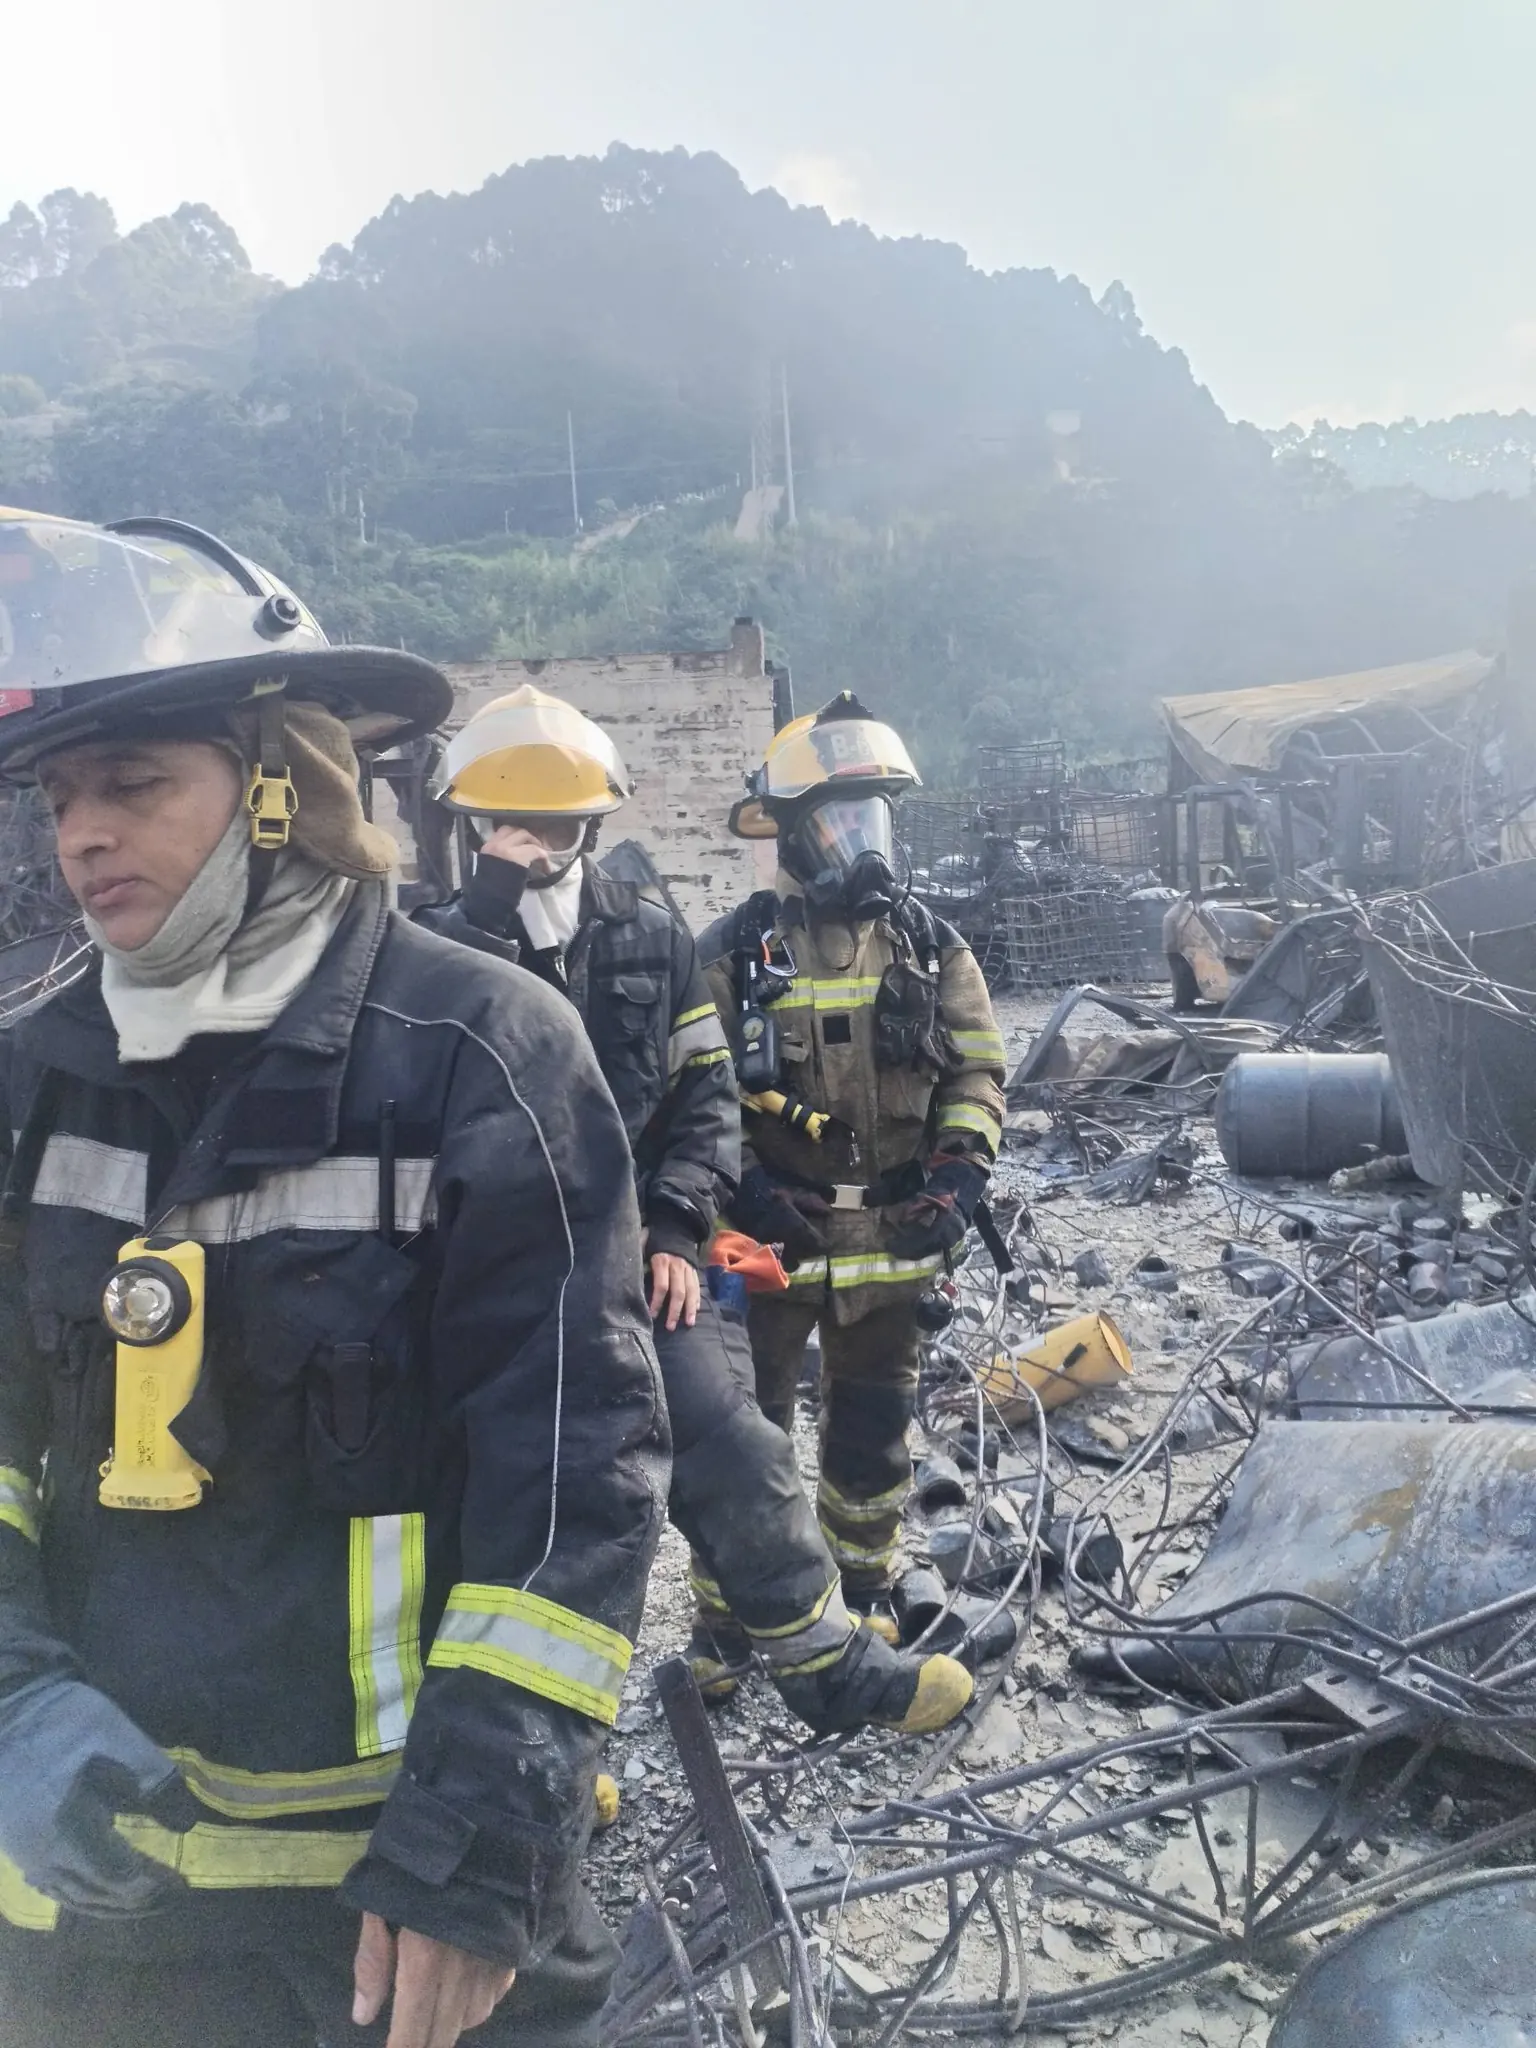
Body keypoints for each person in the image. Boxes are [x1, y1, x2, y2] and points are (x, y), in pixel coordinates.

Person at [0, 514, 667, 2048]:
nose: (81, 836)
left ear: (283, 786)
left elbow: (569, 1476)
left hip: (394, 1902)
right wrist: (15, 1703)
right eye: (59, 798)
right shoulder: (37, 1074)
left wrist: (476, 1852)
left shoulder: (480, 1058)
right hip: (103, 1903)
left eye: (134, 785)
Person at [417, 686, 972, 1738]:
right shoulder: (432, 953)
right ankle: (535, 1759)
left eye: (553, 825)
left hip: (635, 1264)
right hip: (490, 1284)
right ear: (468, 829)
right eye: (500, 824)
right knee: (510, 1507)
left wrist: (677, 1228)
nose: (529, 844)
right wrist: (482, 917)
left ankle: (828, 1669)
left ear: (592, 825)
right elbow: (406, 1100)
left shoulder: (654, 942)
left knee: (737, 1445)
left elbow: (706, 1099)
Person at [701, 692, 1007, 1616]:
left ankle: (864, 1589)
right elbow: (692, 1101)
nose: (862, 848)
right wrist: (746, 1194)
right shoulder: (729, 956)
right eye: (840, 825)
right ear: (792, 838)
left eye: (874, 823)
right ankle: (736, 1613)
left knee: (874, 1429)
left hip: (895, 1233)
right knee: (743, 1440)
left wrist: (958, 1176)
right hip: (770, 1246)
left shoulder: (930, 946)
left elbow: (980, 1073)